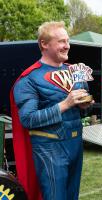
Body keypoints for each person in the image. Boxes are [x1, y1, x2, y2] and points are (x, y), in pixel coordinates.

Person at [10, 21, 93, 200]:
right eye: (61, 41)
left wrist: (85, 106)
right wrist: (65, 104)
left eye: (68, 41)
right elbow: (28, 119)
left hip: (75, 142)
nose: (67, 46)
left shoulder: (75, 71)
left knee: (72, 196)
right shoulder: (29, 79)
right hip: (49, 147)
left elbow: (82, 110)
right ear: (44, 44)